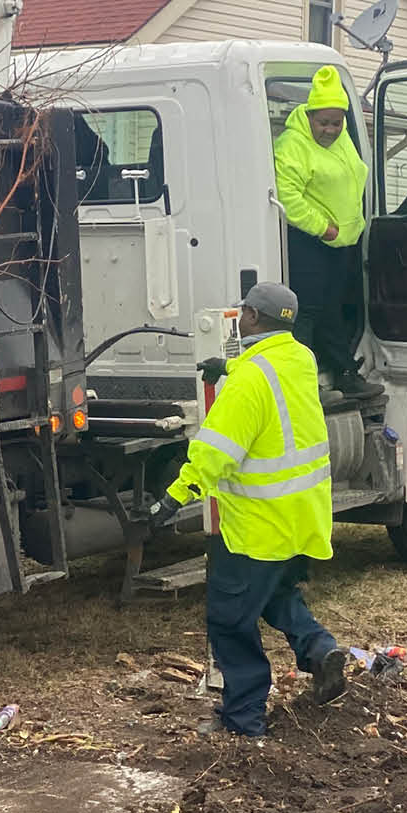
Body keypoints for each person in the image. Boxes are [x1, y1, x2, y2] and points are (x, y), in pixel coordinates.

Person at [167, 283, 352, 738]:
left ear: (250, 317)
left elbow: (216, 452)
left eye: (244, 312)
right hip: (300, 516)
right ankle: (317, 647)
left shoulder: (248, 382)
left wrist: (174, 496)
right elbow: (268, 367)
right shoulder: (301, 359)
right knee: (275, 594)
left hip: (256, 525)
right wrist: (227, 365)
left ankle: (244, 719)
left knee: (230, 619)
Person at [274, 65, 377, 400]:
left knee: (334, 309)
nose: (331, 129)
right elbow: (287, 196)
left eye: (337, 122)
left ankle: (345, 373)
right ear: (309, 116)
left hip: (342, 243)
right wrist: (324, 228)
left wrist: (348, 230)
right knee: (308, 313)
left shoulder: (342, 138)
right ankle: (299, 382)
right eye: (324, 122)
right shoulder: (293, 145)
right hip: (311, 243)